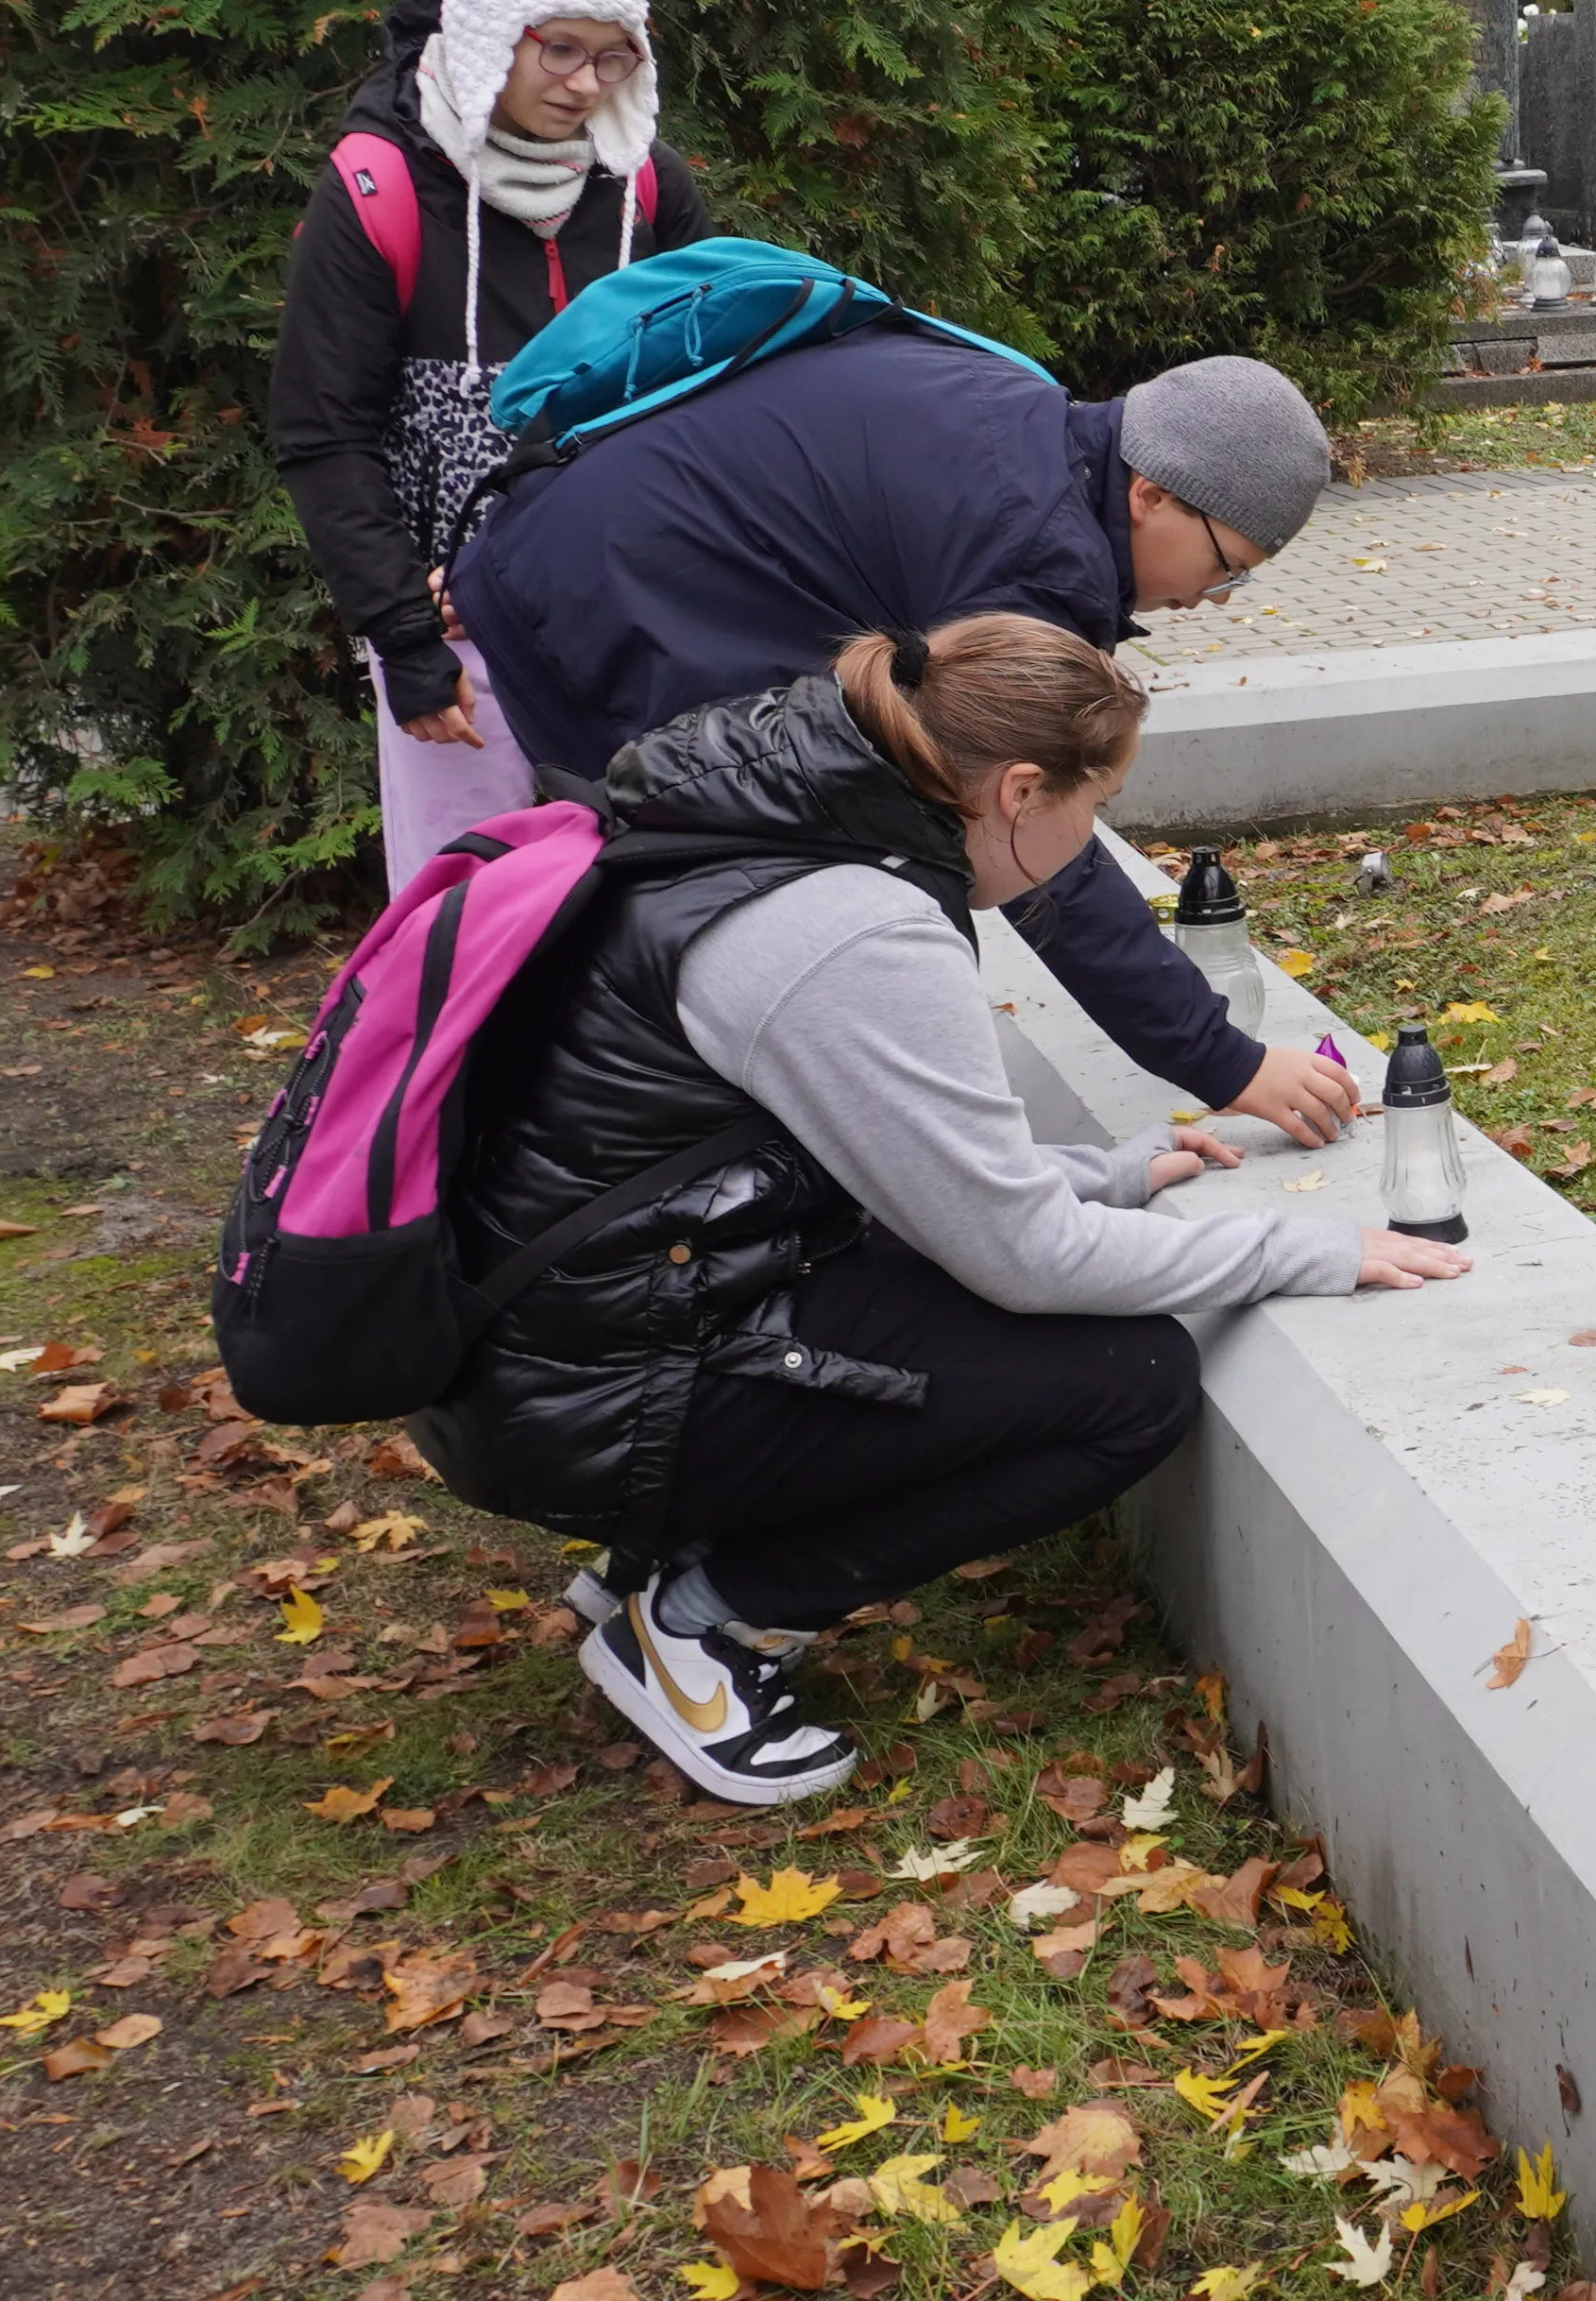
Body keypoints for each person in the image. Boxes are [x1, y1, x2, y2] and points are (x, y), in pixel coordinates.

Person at [418, 615, 1464, 1802]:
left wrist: (1106, 1171)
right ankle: (709, 1622)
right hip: (596, 1397)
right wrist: (1307, 1249)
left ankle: (668, 1547)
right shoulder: (855, 926)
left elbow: (871, 1162)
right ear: (1021, 791)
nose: (1087, 848)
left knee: (967, 1316)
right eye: (1093, 810)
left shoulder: (775, 820)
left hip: (562, 1339)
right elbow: (1023, 1259)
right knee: (1128, 1387)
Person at [448, 330, 1367, 1147]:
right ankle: (644, 1147)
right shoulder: (1033, 548)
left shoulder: (1042, 441)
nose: (1209, 599)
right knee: (693, 859)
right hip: (595, 602)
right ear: (1152, 492)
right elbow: (1037, 839)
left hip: (601, 556)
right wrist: (1227, 1063)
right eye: (1224, 568)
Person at [268, 0, 721, 886]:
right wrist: (406, 633)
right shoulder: (379, 189)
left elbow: (705, 398)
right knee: (461, 915)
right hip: (461, 646)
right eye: (558, 47)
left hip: (628, 625)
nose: (583, 84)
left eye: (612, 56)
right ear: (490, 32)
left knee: (637, 910)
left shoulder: (647, 188)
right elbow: (323, 434)